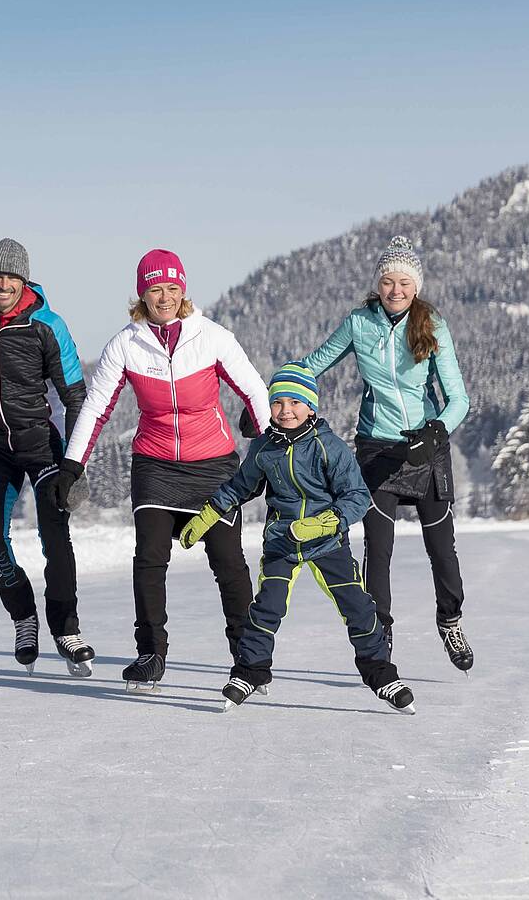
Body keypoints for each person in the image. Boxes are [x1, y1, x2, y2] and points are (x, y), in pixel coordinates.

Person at [55, 249, 269, 692]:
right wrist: (73, 465)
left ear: (184, 290)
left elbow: (254, 388)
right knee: (150, 559)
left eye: (173, 288)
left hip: (213, 465)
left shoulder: (212, 337)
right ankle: (151, 653)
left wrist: (267, 441)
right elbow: (97, 408)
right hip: (155, 465)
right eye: (156, 289)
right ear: (142, 294)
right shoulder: (127, 344)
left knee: (229, 563)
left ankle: (248, 657)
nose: (165, 297)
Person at [179, 365, 415, 713]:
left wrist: (324, 523)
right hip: (282, 542)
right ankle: (251, 671)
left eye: (295, 402)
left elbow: (358, 497)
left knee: (360, 608)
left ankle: (381, 674)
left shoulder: (329, 447)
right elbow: (241, 486)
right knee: (266, 608)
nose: (285, 410)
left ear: (311, 407)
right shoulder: (264, 448)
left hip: (328, 543)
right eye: (278, 402)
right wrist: (211, 513)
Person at [294, 236, 474, 671]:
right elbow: (312, 364)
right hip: (376, 446)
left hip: (425, 446)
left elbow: (459, 399)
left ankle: (449, 619)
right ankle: (381, 629)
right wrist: (275, 396)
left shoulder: (431, 323)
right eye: (388, 281)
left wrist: (435, 433)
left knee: (442, 549)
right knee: (378, 547)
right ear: (378, 285)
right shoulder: (360, 323)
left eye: (405, 283)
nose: (396, 290)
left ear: (416, 287)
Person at [0, 238, 96, 675]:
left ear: (24, 280)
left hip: (40, 445)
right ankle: (23, 618)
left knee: (55, 537)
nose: (4, 283)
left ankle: (66, 629)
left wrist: (76, 463)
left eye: (12, 276)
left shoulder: (47, 325)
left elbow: (76, 397)